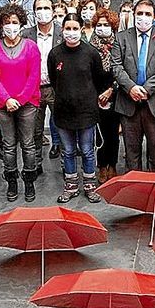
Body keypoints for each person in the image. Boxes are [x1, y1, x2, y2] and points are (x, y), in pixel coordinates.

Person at [48, 13, 110, 203]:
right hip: (63, 111)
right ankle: (71, 186)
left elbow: (99, 79)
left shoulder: (91, 53)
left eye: (75, 28)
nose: (71, 32)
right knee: (68, 151)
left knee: (87, 150)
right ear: (63, 29)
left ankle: (90, 186)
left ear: (81, 29)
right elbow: (53, 79)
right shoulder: (55, 54)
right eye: (68, 28)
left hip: (87, 112)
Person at [110, 0, 155, 172]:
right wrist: (131, 87)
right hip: (128, 103)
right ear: (133, 15)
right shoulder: (121, 38)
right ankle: (135, 193)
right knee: (131, 154)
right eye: (139, 13)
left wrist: (147, 89)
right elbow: (116, 66)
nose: (143, 17)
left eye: (148, 14)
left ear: (154, 17)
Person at [0, 4, 41, 202]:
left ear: (21, 24)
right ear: (1, 24)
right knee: (8, 145)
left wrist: (20, 99)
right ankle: (12, 182)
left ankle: (29, 182)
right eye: (7, 22)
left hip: (27, 103)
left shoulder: (31, 47)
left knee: (28, 144)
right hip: (2, 104)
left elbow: (34, 77)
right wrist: (7, 99)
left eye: (14, 22)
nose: (11, 26)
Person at [21, 0, 64, 171]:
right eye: (39, 9)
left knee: (62, 128)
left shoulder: (63, 32)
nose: (43, 12)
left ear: (53, 12)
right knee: (35, 131)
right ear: (34, 12)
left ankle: (65, 166)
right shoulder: (26, 35)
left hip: (56, 88)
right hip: (33, 89)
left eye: (46, 8)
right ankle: (36, 164)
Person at [90, 8, 121, 183]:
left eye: (106, 25)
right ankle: (102, 166)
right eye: (99, 25)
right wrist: (96, 93)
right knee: (100, 133)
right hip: (95, 94)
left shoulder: (119, 44)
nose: (102, 28)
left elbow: (122, 69)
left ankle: (113, 165)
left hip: (115, 93)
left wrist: (112, 90)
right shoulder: (89, 47)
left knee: (113, 133)